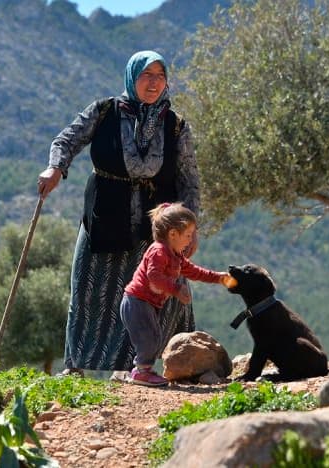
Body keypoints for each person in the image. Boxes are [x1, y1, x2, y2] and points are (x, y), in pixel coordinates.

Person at [37, 50, 202, 376]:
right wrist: (55, 167)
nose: (153, 83)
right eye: (145, 75)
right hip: (106, 213)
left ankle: (157, 365)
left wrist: (190, 229)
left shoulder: (176, 126)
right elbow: (67, 140)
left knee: (157, 292)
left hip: (158, 223)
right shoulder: (104, 112)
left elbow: (189, 180)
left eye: (159, 76)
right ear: (131, 77)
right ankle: (77, 367)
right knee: (89, 289)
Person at [121, 203, 230, 386]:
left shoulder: (176, 256)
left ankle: (142, 370)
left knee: (154, 337)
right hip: (136, 301)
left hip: (145, 303)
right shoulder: (159, 251)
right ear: (172, 234)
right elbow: (153, 276)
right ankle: (141, 372)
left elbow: (195, 272)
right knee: (149, 338)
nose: (190, 240)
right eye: (188, 235)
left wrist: (218, 278)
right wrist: (176, 289)